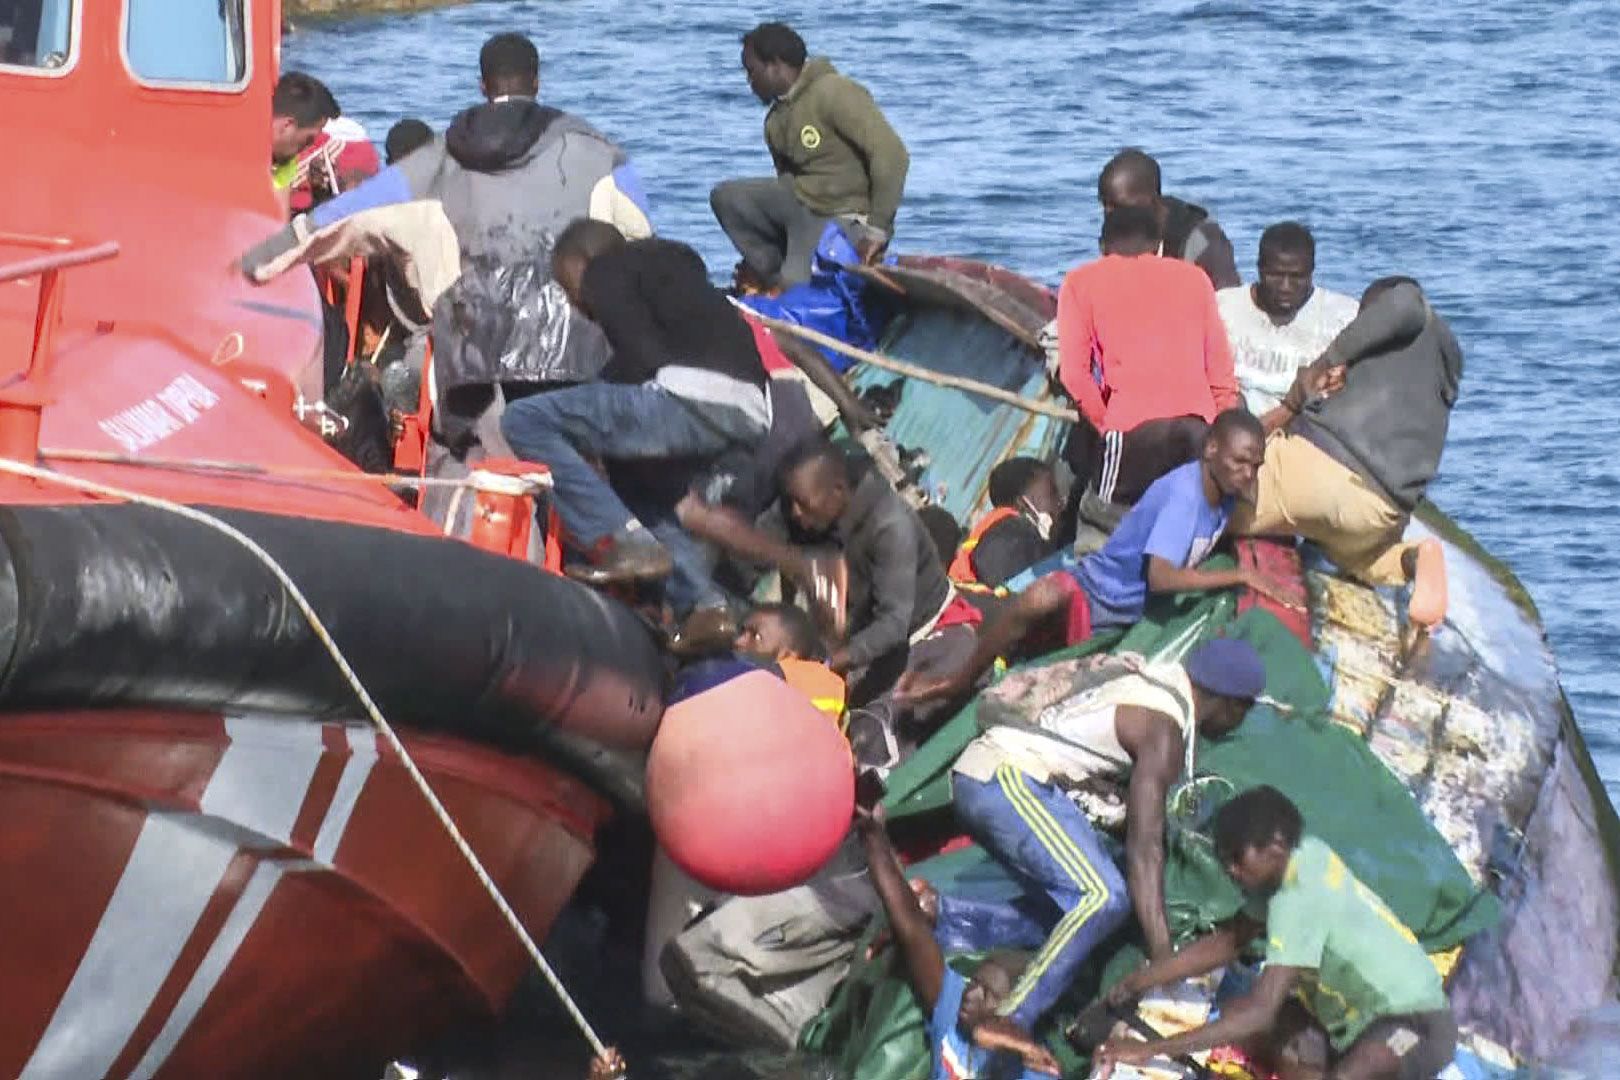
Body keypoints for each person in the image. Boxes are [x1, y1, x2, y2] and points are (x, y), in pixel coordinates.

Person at [241, 32, 653, 484]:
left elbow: (342, 218)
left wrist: (256, 263)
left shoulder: (436, 159)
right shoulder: (598, 152)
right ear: (537, 82)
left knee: (474, 462)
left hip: (473, 360)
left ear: (482, 86)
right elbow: (642, 239)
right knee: (573, 459)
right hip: (576, 348)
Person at [943, 638, 1264, 1039]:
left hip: (1000, 777)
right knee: (1102, 897)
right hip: (1008, 777)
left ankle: (939, 917)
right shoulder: (1164, 729)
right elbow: (1144, 849)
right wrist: (1164, 958)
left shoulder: (1153, 680)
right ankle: (1010, 1020)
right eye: (1245, 711)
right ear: (1232, 703)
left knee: (1067, 918)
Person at [904, 410, 1289, 707]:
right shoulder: (1184, 499)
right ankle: (956, 681)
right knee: (1042, 599)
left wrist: (1293, 403)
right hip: (1099, 599)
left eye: (1255, 466)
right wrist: (1239, 576)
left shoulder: (1224, 486)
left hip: (1128, 612)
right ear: (1210, 450)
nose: (1247, 474)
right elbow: (1162, 578)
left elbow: (1250, 436)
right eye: (1240, 463)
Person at [1095, 786, 1457, 1080]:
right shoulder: (1302, 856)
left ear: (1275, 847)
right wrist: (1139, 981)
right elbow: (1228, 942)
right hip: (1351, 1023)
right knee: (1254, 1028)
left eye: (1238, 858)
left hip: (1417, 1024)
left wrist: (1147, 1051)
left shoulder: (1297, 898)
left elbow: (1260, 1012)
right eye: (1226, 862)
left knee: (1345, 1071)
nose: (1232, 871)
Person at [500, 220, 769, 610]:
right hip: (749, 413)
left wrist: (585, 425)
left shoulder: (605, 270)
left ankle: (623, 541)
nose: (574, 305)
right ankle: (704, 608)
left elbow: (641, 360)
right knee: (632, 479)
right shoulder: (676, 275)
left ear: (580, 263)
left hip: (690, 400)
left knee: (524, 419)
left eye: (566, 287)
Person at [678, 439, 981, 756]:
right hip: (853, 626)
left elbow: (893, 625)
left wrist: (826, 664)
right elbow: (756, 552)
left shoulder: (891, 528)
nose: (795, 513)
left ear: (838, 491)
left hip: (916, 634)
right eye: (790, 503)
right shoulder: (802, 504)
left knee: (865, 734)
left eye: (802, 504)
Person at [1233, 277, 1459, 632]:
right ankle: (1414, 559)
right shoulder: (1444, 367)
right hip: (1378, 511)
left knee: (1216, 501)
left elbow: (1404, 303)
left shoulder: (1409, 305)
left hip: (1317, 469)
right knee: (1369, 561)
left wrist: (1324, 364)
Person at [855, 779, 1062, 1078]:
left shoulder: (1035, 1070)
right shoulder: (956, 1017)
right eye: (975, 983)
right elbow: (911, 928)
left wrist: (1008, 1044)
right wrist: (872, 833)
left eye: (988, 993)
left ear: (1017, 1011)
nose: (971, 994)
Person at [1058, 207, 1241, 507]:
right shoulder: (1196, 279)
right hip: (1197, 427)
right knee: (1189, 519)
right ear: (1160, 247)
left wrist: (1107, 425)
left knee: (1106, 522)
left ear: (1102, 247)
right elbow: (1221, 373)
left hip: (1131, 430)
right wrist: (1217, 428)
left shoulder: (1080, 282)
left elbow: (1074, 375)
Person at [711, 22, 910, 289]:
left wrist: (877, 230)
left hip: (843, 217)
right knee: (727, 197)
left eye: (752, 71)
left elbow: (892, 155)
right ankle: (769, 276)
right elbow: (783, 184)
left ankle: (789, 284)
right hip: (801, 209)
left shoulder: (833, 92)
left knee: (795, 285)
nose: (749, 82)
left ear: (776, 64)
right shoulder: (775, 121)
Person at [1218, 222, 1359, 416]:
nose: (1285, 286)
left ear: (1312, 271)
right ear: (1259, 269)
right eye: (1275, 275)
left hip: (1313, 427)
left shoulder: (1344, 317)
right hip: (1238, 427)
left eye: (1297, 277)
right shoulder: (1223, 308)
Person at [1097, 148, 1240, 290]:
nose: (1111, 219)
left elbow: (1227, 303)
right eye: (1105, 207)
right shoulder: (1116, 240)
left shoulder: (1202, 242)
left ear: (1154, 203)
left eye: (1121, 208)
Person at [949, 457, 1062, 590]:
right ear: (1023, 503)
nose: (1060, 501)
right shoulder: (1013, 531)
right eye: (1052, 493)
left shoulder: (998, 526)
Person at [734, 602, 847, 724]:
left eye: (756, 637)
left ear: (788, 655)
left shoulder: (803, 680)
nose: (738, 641)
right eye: (741, 631)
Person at [269, 72, 329, 191]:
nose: (308, 147)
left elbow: (280, 204)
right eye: (308, 139)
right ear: (288, 125)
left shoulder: (287, 161)